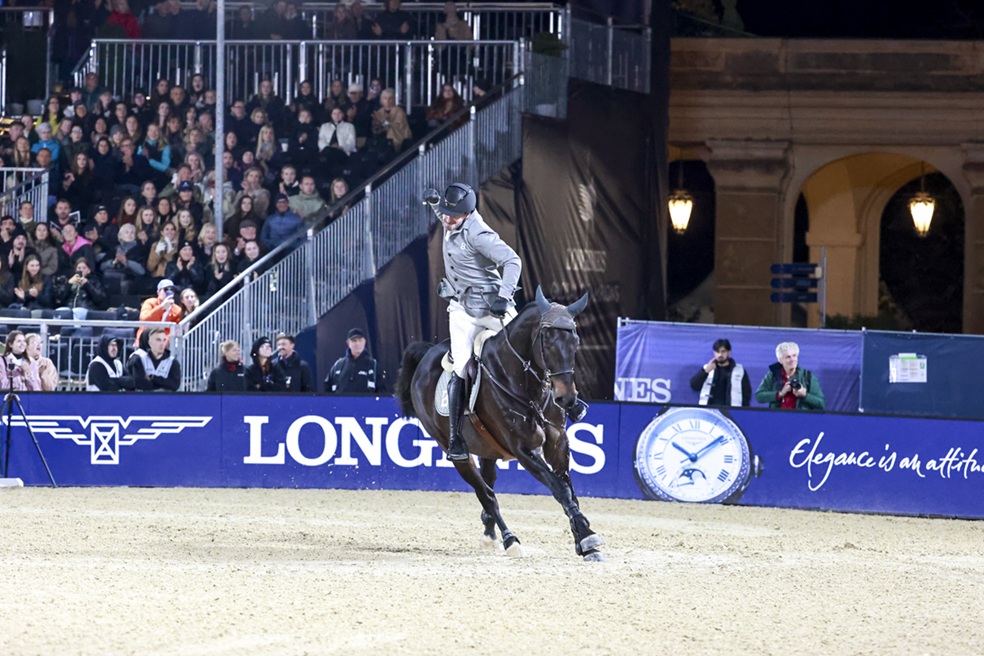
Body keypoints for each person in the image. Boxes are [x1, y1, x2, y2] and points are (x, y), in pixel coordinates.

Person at [434, 182, 521, 460]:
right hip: (462, 309)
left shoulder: (479, 234)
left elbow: (513, 261)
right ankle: (456, 438)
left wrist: (504, 296)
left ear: (468, 213)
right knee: (459, 367)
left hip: (491, 308)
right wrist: (436, 204)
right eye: (445, 213)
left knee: (523, 350)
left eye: (452, 215)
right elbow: (444, 214)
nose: (446, 220)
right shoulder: (450, 218)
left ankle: (565, 401)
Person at [755, 341, 826, 410]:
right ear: (780, 360)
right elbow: (759, 396)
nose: (792, 360)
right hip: (778, 416)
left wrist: (804, 395)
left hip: (800, 417)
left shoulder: (807, 376)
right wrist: (780, 394)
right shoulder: (773, 374)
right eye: (788, 357)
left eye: (794, 356)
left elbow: (821, 403)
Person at [689, 338, 751, 407]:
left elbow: (747, 393)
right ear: (714, 353)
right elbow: (694, 386)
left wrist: (743, 410)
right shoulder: (707, 368)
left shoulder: (739, 370)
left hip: (731, 410)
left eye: (723, 351)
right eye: (717, 352)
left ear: (729, 352)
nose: (720, 354)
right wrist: (706, 371)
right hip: (709, 409)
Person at [325, 328, 385, 395]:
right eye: (354, 341)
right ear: (348, 343)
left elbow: (383, 392)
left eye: (360, 340)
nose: (357, 343)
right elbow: (326, 391)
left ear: (364, 342)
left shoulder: (374, 366)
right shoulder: (338, 366)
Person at [127, 327, 182, 392]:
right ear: (150, 343)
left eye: (164, 340)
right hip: (143, 397)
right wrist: (163, 384)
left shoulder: (173, 362)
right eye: (158, 340)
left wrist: (153, 378)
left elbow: (175, 385)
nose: (162, 344)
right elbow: (139, 384)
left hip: (165, 397)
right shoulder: (139, 359)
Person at [135, 278, 184, 346]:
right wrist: (161, 308)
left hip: (165, 343)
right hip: (146, 340)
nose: (169, 292)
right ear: (158, 292)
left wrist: (164, 342)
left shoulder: (177, 310)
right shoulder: (150, 302)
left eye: (172, 290)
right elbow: (144, 319)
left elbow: (176, 330)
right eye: (166, 289)